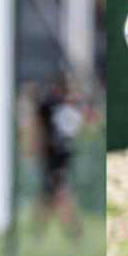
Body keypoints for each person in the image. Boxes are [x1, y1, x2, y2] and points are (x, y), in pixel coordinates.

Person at [32, 77, 84, 242]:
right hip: (58, 160)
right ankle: (42, 229)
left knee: (58, 196)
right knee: (52, 196)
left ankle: (67, 229)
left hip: (59, 160)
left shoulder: (62, 110)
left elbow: (43, 112)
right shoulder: (67, 110)